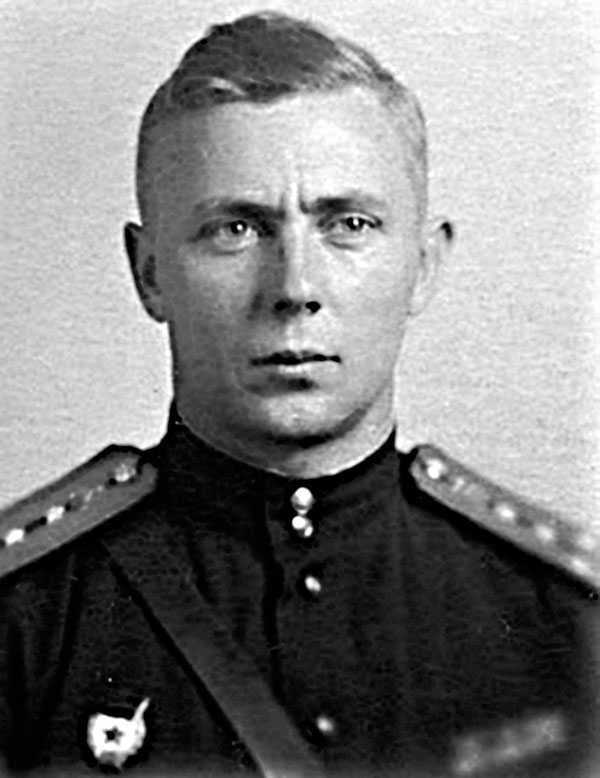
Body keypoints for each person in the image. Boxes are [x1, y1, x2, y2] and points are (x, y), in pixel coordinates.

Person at [0, 11, 598, 778]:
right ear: (148, 273)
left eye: (348, 224)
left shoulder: (564, 622)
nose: (294, 288)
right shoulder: (25, 621)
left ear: (423, 266)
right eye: (236, 229)